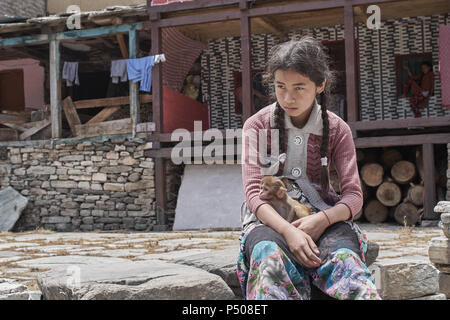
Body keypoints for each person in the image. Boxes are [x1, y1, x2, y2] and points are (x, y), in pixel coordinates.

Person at [236, 37, 381, 300]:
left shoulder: (337, 130)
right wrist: (289, 231)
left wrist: (321, 220)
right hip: (269, 221)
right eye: (280, 87)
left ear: (320, 84)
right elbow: (254, 195)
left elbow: (354, 197)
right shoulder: (256, 126)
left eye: (299, 88)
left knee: (347, 265)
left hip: (325, 219)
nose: (288, 98)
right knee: (268, 259)